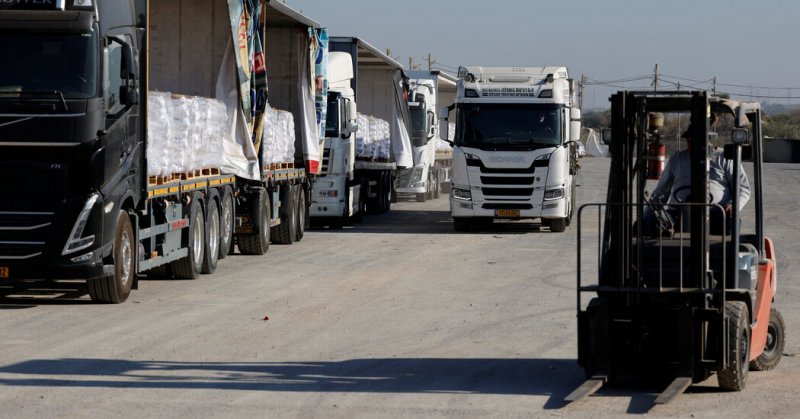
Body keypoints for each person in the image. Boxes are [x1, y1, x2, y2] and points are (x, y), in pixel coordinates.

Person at [644, 123, 750, 235]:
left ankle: (724, 251)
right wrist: (648, 212)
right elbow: (661, 191)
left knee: (731, 222)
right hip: (678, 213)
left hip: (715, 213)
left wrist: (733, 204)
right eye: (689, 141)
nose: (691, 145)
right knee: (653, 221)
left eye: (695, 141)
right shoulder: (677, 159)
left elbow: (743, 188)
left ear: (707, 140)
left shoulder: (724, 157)